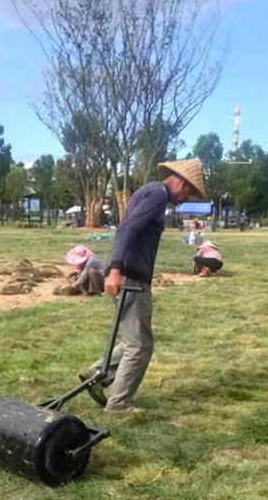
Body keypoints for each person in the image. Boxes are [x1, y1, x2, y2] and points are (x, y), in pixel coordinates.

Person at [81, 157, 205, 413]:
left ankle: (97, 373)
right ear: (182, 183)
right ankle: (118, 404)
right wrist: (116, 270)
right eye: (189, 193)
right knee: (140, 346)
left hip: (129, 275)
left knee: (135, 340)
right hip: (130, 277)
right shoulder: (158, 195)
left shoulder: (152, 191)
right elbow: (126, 229)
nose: (185, 198)